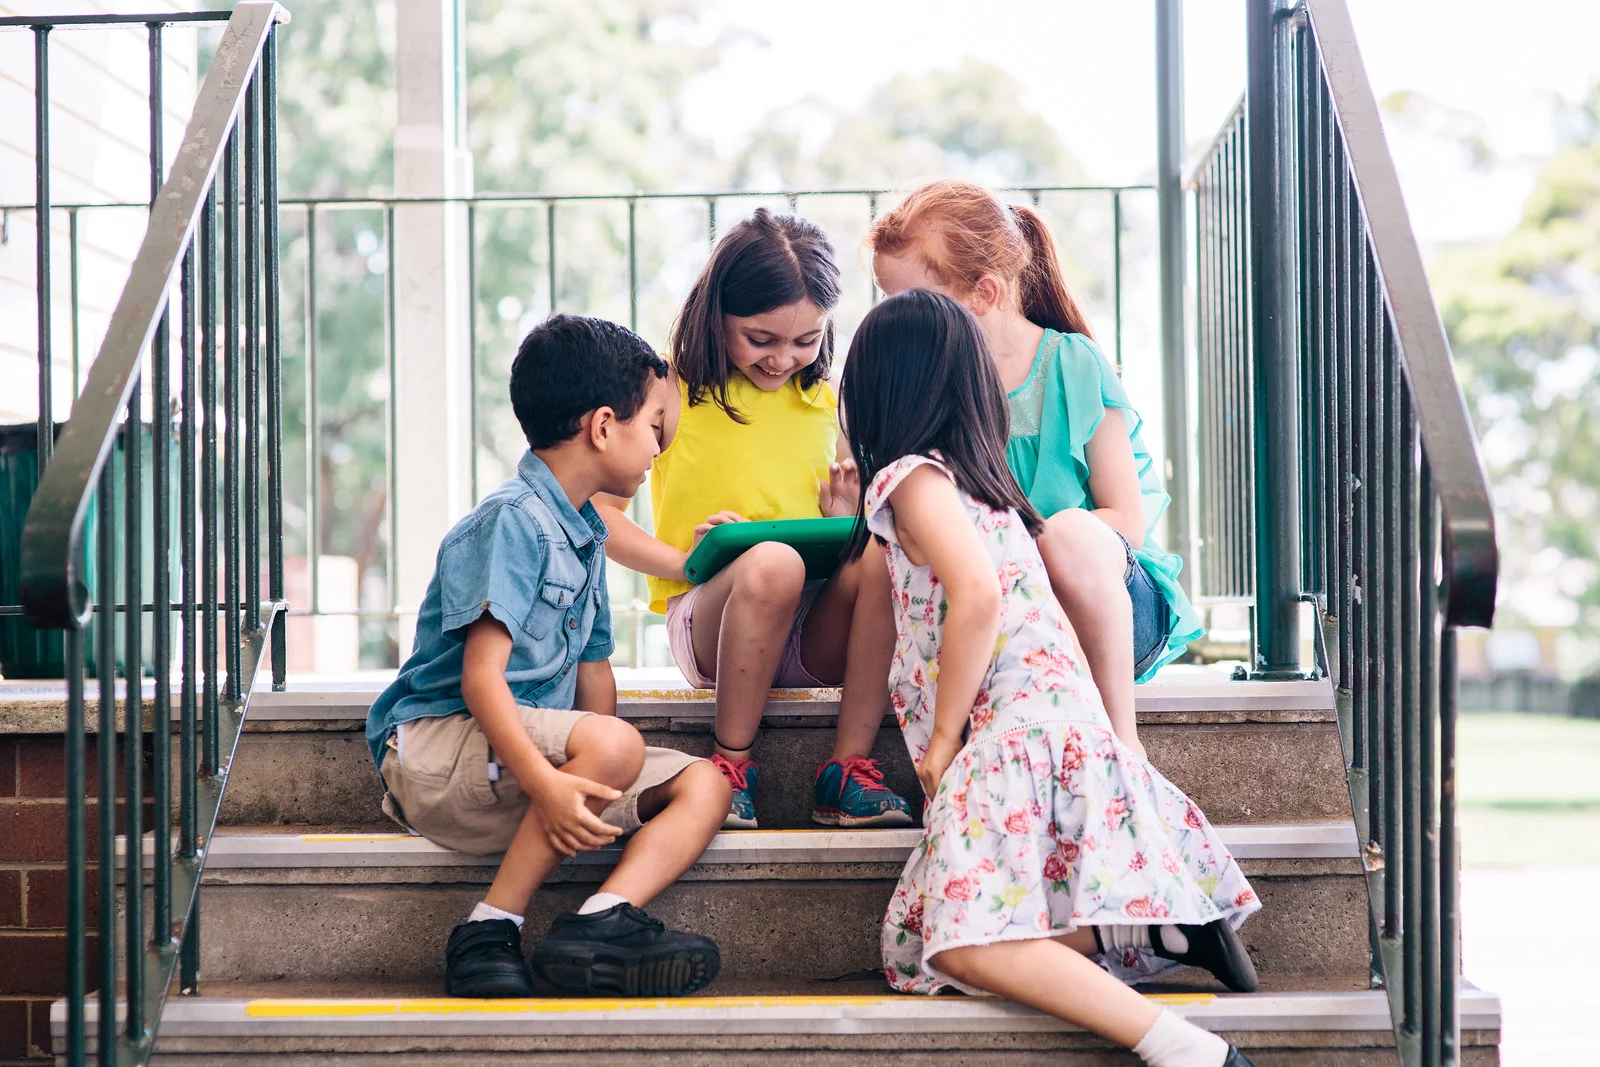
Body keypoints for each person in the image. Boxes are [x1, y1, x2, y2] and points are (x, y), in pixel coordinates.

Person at [841, 289, 1261, 1067]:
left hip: (1011, 736)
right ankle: (1143, 931)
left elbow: (977, 592)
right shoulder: (990, 491)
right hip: (1051, 724)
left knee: (955, 946)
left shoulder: (908, 478)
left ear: (876, 392)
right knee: (915, 941)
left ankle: (1189, 1050)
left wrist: (941, 742)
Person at [366, 315, 732, 999]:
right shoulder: (513, 520)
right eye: (655, 428)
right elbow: (480, 678)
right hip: (441, 750)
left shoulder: (586, 534)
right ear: (602, 426)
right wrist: (553, 778)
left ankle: (599, 920)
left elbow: (594, 673)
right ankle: (489, 925)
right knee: (613, 742)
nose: (659, 450)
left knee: (707, 784)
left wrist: (604, 775)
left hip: (520, 762)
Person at [593, 208, 913, 831]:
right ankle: (731, 765)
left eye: (805, 340)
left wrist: (849, 521)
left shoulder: (830, 403)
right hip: (711, 623)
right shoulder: (668, 390)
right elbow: (600, 515)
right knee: (770, 562)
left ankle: (847, 769)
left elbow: (874, 530)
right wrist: (685, 560)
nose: (781, 359)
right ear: (716, 316)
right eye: (760, 339)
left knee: (878, 552)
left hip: (815, 627)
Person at [869, 180, 1204, 759]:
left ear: (983, 293)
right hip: (1002, 617)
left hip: (1106, 604)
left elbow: (1126, 519)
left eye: (915, 304)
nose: (904, 325)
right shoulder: (930, 391)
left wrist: (1017, 548)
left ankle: (1122, 747)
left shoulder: (1072, 363)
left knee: (1069, 531)